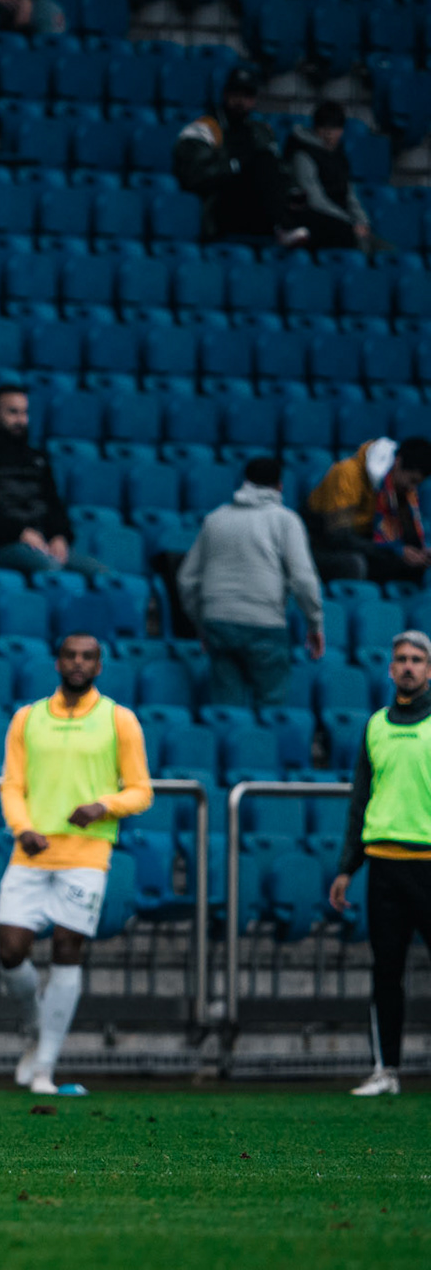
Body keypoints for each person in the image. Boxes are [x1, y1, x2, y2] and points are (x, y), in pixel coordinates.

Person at [0, 634, 153, 1098]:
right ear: (58, 662)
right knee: (9, 949)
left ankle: (44, 1068)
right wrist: (22, 828)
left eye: (88, 657)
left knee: (67, 947)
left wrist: (102, 807)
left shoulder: (118, 719)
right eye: (71, 655)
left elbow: (141, 790)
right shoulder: (27, 718)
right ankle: (35, 1027)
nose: (78, 663)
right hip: (32, 851)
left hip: (86, 856)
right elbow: (11, 784)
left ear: (99, 666)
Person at [329, 631, 431, 1097]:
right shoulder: (375, 725)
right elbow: (359, 800)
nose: (408, 666)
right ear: (390, 670)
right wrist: (347, 866)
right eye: (401, 660)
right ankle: (386, 1070)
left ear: (428, 670)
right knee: (385, 972)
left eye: (417, 660)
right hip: (384, 865)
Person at [177, 457, 325, 706]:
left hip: (218, 621)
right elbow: (303, 579)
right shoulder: (285, 520)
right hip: (264, 623)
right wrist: (315, 624)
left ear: (245, 482)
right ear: (280, 486)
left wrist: (202, 623)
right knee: (271, 710)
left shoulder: (215, 519)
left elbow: (186, 579)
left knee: (226, 710)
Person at [0, 386, 105, 576]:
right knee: (49, 568)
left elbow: (54, 504)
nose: (21, 420)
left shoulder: (37, 458)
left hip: (41, 543)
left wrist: (59, 536)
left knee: (100, 573)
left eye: (25, 413)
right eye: (13, 412)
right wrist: (19, 533)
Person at [174, 67, 306, 246]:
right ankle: (284, 225)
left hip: (256, 207)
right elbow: (195, 176)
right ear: (225, 94)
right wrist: (235, 166)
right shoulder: (204, 129)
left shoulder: (260, 132)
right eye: (236, 94)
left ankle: (287, 226)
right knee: (262, 162)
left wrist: (292, 191)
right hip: (220, 207)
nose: (241, 101)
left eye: (247, 95)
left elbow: (278, 169)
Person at [306, 436, 431, 585]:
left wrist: (420, 553)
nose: (412, 488)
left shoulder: (399, 485)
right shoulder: (348, 474)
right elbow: (338, 537)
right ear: (397, 462)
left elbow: (407, 535)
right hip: (322, 544)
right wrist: (395, 551)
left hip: (360, 543)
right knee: (355, 565)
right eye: (412, 481)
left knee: (414, 566)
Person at [286, 101, 375, 252]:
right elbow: (314, 199)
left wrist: (362, 221)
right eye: (323, 127)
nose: (328, 133)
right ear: (315, 128)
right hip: (315, 220)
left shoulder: (339, 156)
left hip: (342, 220)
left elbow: (349, 194)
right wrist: (350, 223)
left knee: (387, 251)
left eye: (334, 128)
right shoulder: (303, 154)